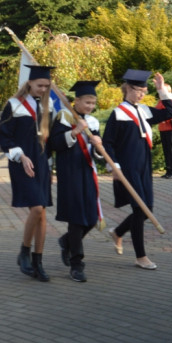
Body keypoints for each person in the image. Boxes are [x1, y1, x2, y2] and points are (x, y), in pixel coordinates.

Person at [102, 69, 172, 270]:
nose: (142, 94)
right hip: (127, 168)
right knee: (139, 209)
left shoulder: (144, 110)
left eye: (144, 90)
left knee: (147, 209)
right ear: (127, 89)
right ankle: (140, 256)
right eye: (138, 90)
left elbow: (171, 113)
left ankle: (118, 232)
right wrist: (115, 167)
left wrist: (162, 91)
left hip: (144, 166)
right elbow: (107, 143)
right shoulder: (118, 113)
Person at [0, 65, 54, 282]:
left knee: (42, 213)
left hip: (42, 164)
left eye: (46, 86)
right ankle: (24, 250)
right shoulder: (13, 105)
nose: (43, 89)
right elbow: (5, 137)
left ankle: (38, 262)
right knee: (37, 207)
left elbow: (51, 141)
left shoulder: (49, 108)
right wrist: (20, 156)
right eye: (40, 85)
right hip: (22, 162)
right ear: (29, 82)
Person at [48, 81, 104, 282]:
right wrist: (74, 131)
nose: (90, 106)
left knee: (91, 218)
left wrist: (98, 145)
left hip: (88, 171)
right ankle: (76, 263)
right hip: (70, 173)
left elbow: (99, 152)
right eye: (87, 102)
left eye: (93, 103)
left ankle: (66, 241)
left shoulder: (93, 122)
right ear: (77, 100)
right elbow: (54, 143)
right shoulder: (64, 117)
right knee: (76, 219)